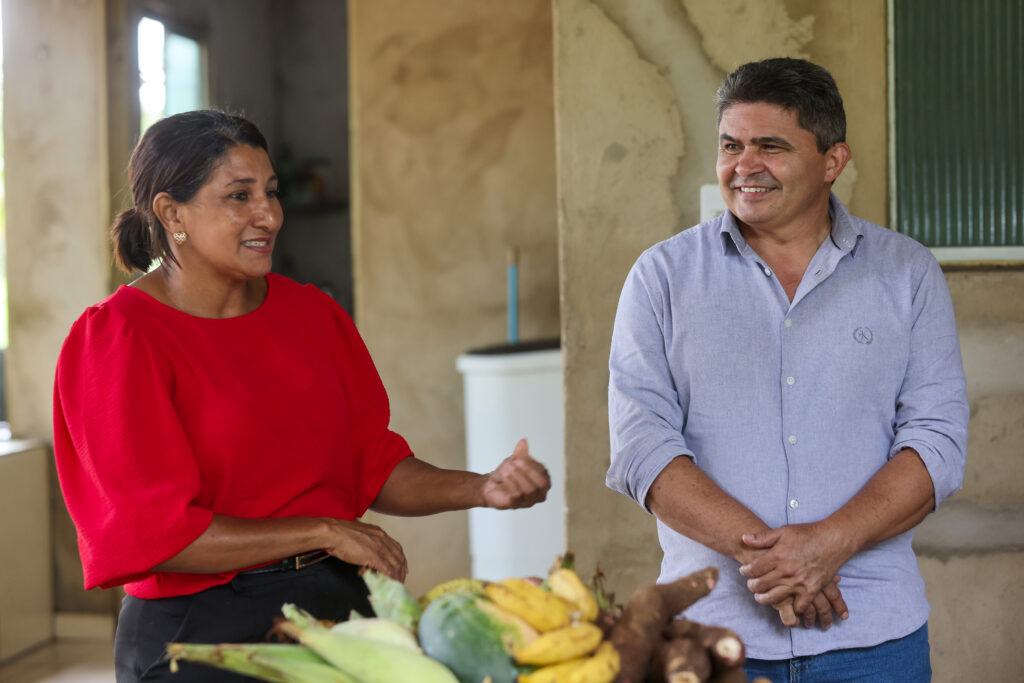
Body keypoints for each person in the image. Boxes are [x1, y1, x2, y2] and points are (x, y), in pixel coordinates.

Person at [52, 110, 551, 683]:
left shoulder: (312, 314)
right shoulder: (118, 338)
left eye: (271, 192)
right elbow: (153, 535)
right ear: (171, 214)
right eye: (238, 196)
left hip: (340, 613)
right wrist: (322, 529)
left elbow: (372, 464)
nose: (268, 214)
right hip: (200, 634)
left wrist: (483, 487)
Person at [606, 58, 968, 682]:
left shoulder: (906, 274)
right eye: (730, 145)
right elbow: (643, 449)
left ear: (832, 161)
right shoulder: (661, 277)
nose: (744, 166)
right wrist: (781, 563)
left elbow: (936, 443)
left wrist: (830, 543)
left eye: (770, 146)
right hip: (712, 639)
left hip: (875, 640)